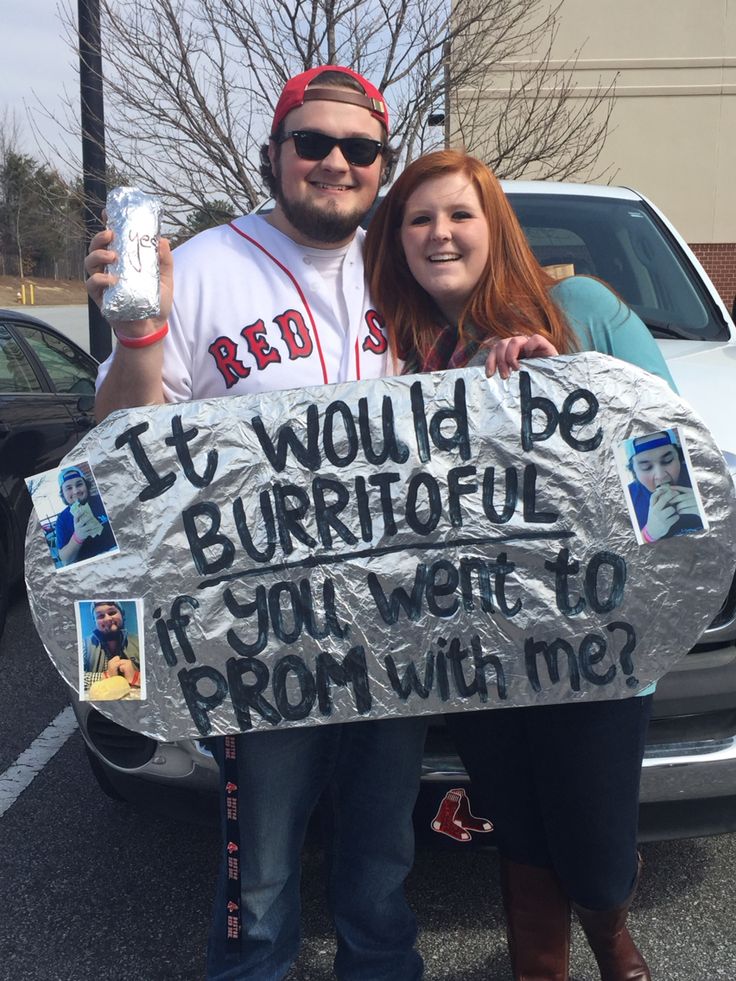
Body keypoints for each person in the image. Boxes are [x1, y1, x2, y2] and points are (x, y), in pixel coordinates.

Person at [85, 66, 427, 981]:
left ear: (380, 165)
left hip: (395, 618)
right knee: (262, 866)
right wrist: (138, 338)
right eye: (311, 142)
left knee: (384, 849)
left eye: (359, 149)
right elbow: (118, 436)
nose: (334, 162)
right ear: (273, 152)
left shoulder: (403, 266)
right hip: (262, 629)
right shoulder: (197, 266)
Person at [364, 149, 671, 981]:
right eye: (418, 219)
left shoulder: (582, 308)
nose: (439, 234)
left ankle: (612, 933)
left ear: (493, 226)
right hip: (480, 649)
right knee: (522, 828)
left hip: (595, 644)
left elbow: (672, 472)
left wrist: (571, 390)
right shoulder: (403, 357)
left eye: (458, 214)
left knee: (596, 848)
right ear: (397, 242)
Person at [626, 430, 704, 541]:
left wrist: (707, 509)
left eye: (668, 460)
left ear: (680, 458)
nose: (660, 476)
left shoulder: (701, 476)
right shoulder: (628, 499)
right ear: (634, 472)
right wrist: (648, 535)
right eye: (646, 467)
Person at [56, 466, 116, 566]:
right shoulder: (62, 519)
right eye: (69, 488)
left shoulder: (103, 500)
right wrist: (77, 537)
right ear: (63, 494)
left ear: (86, 486)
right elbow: (65, 560)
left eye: (79, 484)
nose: (75, 491)